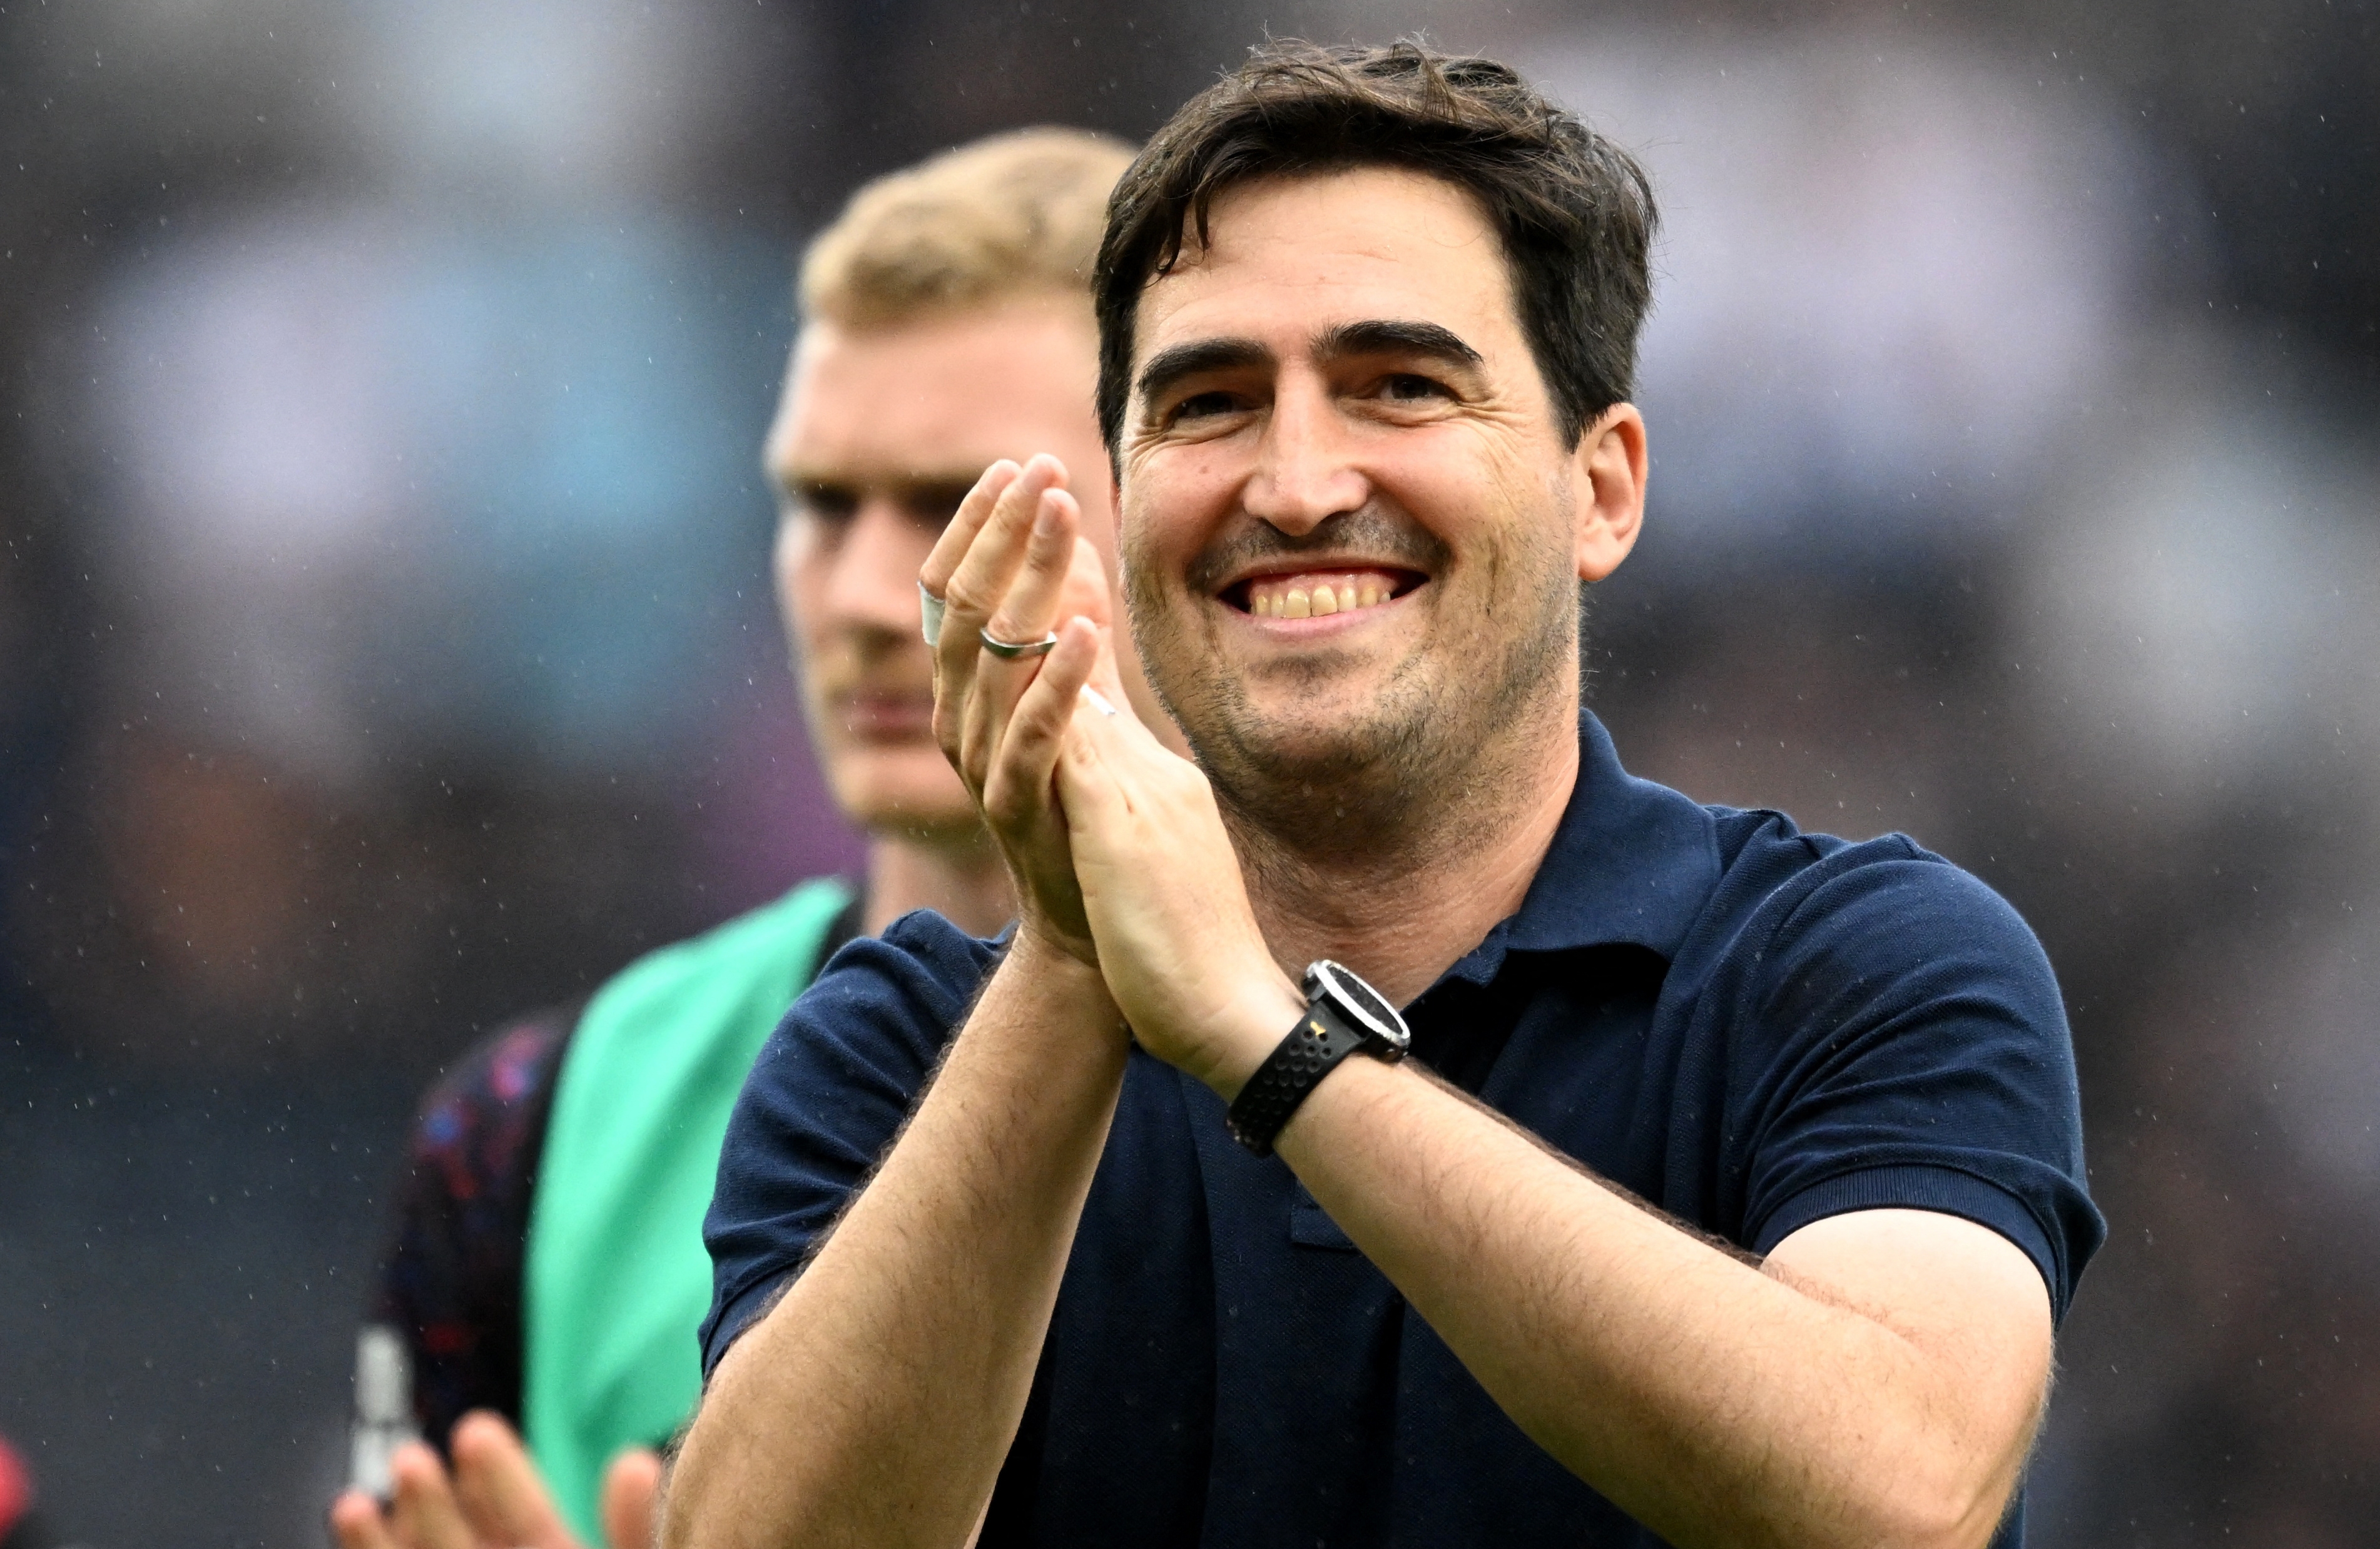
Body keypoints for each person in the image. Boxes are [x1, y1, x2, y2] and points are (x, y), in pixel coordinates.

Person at [671, 38, 2105, 1549]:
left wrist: (1269, 1046)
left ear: (1599, 487)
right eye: (1210, 403)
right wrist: (1079, 955)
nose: (1293, 484)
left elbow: (1899, 1488)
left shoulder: (1853, 965)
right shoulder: (900, 1044)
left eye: (1400, 386)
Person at [329, 124, 1161, 1549]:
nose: (858, 591)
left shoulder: (1408, 1075)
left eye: (963, 505)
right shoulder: (540, 1123)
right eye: (820, 503)